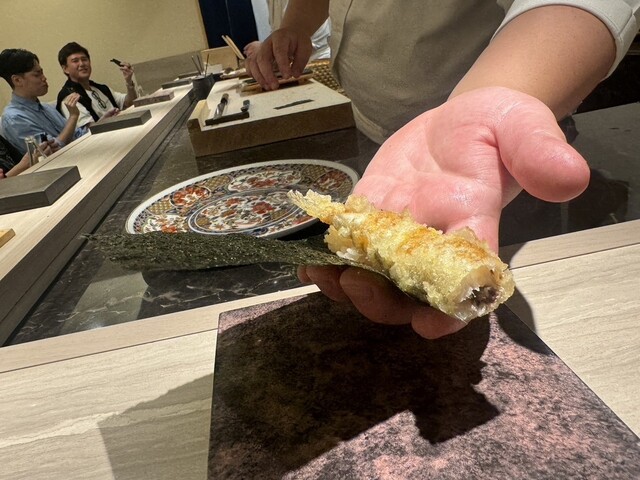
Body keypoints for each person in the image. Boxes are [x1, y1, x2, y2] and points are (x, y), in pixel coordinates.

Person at [246, 1, 640, 339]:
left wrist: (492, 99)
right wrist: (296, 24)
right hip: (383, 140)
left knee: (527, 314)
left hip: (487, 155)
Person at [0, 48, 85, 156]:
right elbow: (50, 154)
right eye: (37, 75)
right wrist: (73, 117)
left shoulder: (47, 107)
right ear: (17, 80)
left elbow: (78, 134)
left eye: (42, 73)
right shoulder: (14, 118)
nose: (44, 78)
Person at [56, 42, 137, 128]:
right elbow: (87, 130)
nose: (82, 64)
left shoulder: (100, 88)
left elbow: (129, 103)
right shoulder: (69, 98)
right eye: (75, 61)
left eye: (84, 59)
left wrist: (129, 82)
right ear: (65, 69)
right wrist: (106, 121)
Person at [243, 0, 331, 61]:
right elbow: (279, 30)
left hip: (318, 58)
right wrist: (267, 46)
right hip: (296, 58)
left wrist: (269, 49)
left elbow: (304, 35)